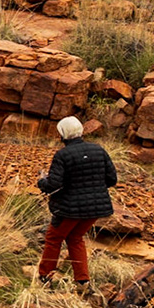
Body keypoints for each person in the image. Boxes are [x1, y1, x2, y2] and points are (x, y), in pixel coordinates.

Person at [34, 115, 117, 287]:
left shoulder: (62, 155)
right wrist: (92, 188)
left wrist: (42, 181)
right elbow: (112, 179)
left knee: (53, 238)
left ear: (63, 134)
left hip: (68, 210)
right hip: (95, 208)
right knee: (75, 238)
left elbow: (54, 185)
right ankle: (82, 280)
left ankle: (44, 277)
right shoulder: (98, 150)